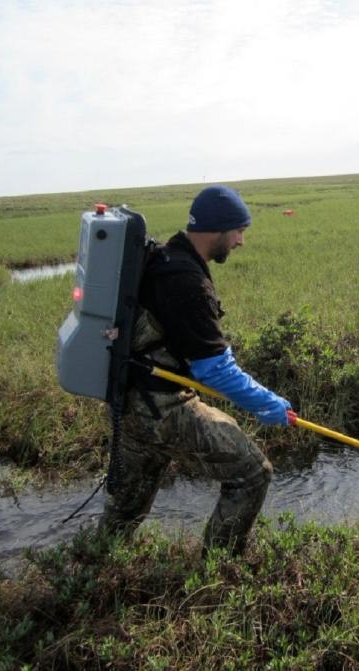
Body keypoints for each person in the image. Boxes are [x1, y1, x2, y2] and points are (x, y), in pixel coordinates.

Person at [100, 185, 295, 556]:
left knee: (125, 510)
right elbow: (215, 370)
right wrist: (267, 403)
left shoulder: (166, 256)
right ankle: (218, 565)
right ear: (216, 229)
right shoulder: (186, 282)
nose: (240, 241)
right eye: (238, 231)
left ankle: (89, 573)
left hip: (128, 399)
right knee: (253, 472)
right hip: (161, 406)